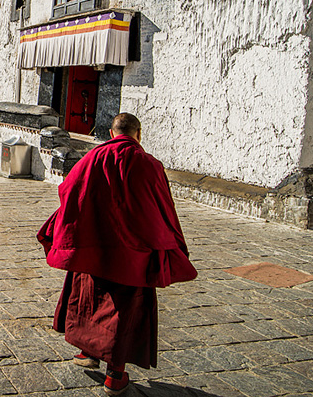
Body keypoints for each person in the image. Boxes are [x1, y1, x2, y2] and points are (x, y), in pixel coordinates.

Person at [37, 113, 196, 396]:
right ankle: (115, 375)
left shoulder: (91, 159)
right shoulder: (150, 165)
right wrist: (171, 242)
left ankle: (88, 352)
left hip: (93, 247)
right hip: (133, 255)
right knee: (123, 311)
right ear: (139, 134)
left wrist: (73, 227)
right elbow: (163, 207)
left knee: (89, 300)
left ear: (112, 133)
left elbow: (69, 191)